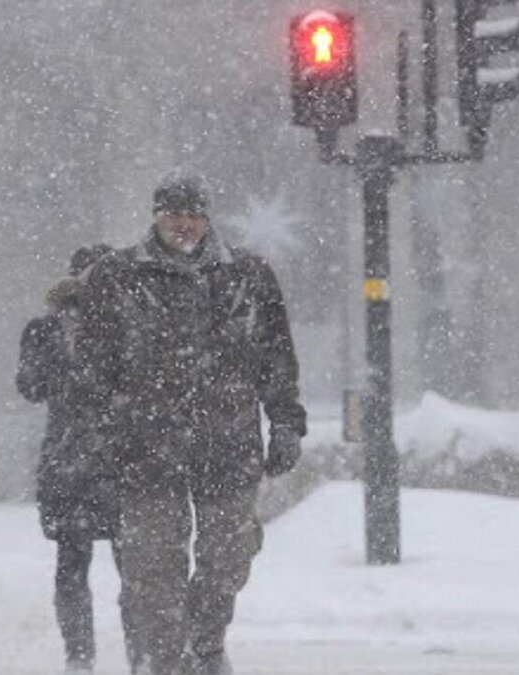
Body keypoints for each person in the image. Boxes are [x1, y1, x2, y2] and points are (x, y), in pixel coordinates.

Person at [80, 174, 306, 675]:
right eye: (172, 213)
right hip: (145, 448)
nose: (182, 224)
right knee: (153, 570)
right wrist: (99, 440)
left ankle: (204, 641)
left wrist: (286, 421)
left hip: (227, 442)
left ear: (208, 217)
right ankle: (165, 660)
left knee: (229, 555)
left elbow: (276, 358)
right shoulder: (116, 276)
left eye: (192, 213)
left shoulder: (248, 275)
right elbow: (94, 371)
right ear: (156, 215)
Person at [16, 246, 126, 674]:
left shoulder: (128, 329)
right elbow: (30, 385)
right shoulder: (44, 331)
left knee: (134, 570)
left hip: (120, 463)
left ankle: (143, 655)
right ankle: (78, 657)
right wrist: (63, 335)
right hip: (68, 462)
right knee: (71, 565)